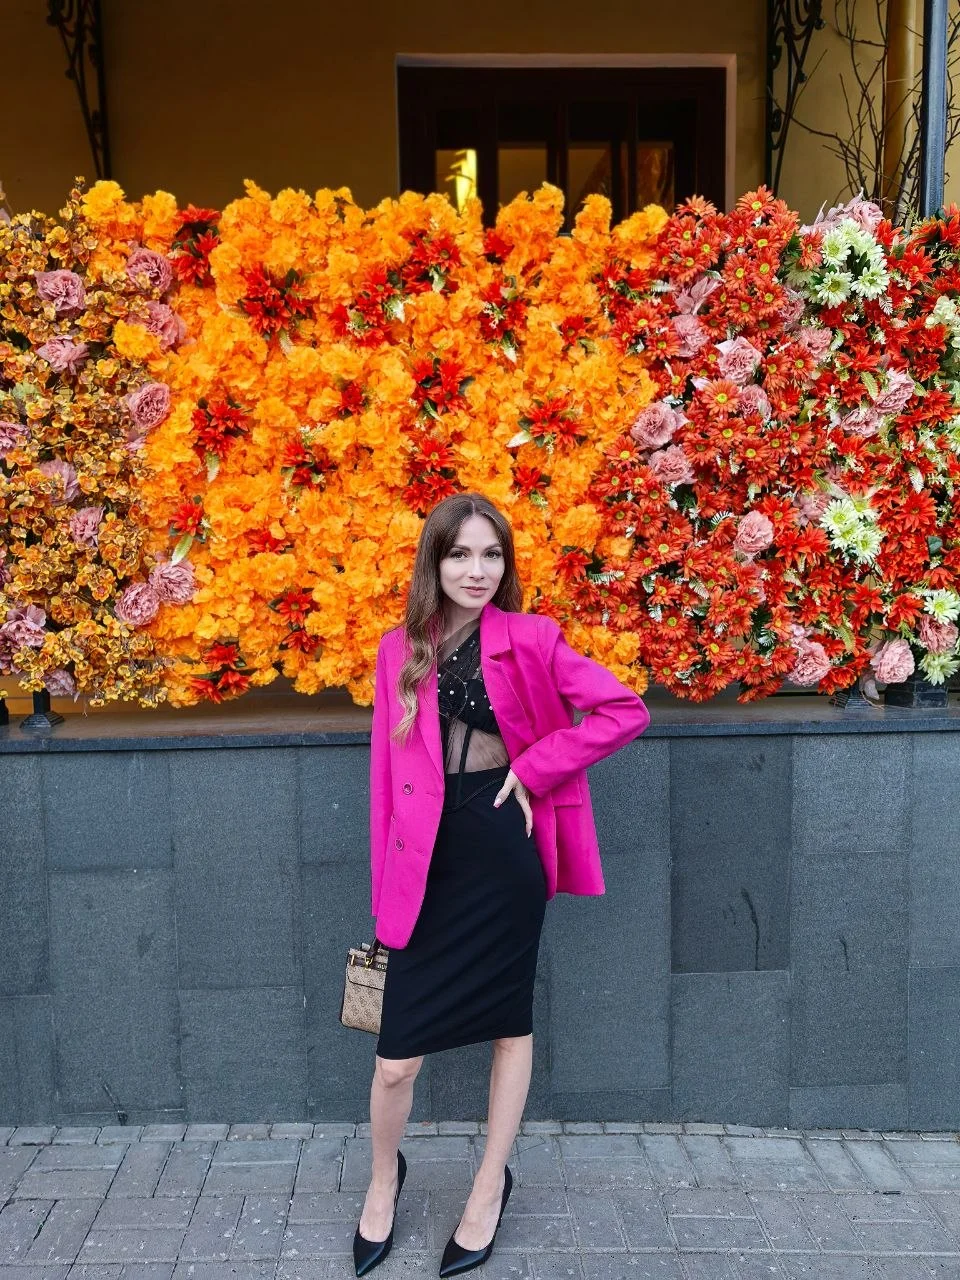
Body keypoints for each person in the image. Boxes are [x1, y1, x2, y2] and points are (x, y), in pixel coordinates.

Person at [354, 491, 651, 1277]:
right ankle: (383, 1177)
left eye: (491, 554)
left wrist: (537, 764)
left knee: (509, 1027)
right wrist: (386, 896)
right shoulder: (398, 651)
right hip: (424, 859)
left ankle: (489, 1187)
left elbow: (623, 710)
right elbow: (385, 782)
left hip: (502, 849)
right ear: (435, 562)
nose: (477, 570)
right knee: (395, 1061)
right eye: (460, 554)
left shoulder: (532, 638)